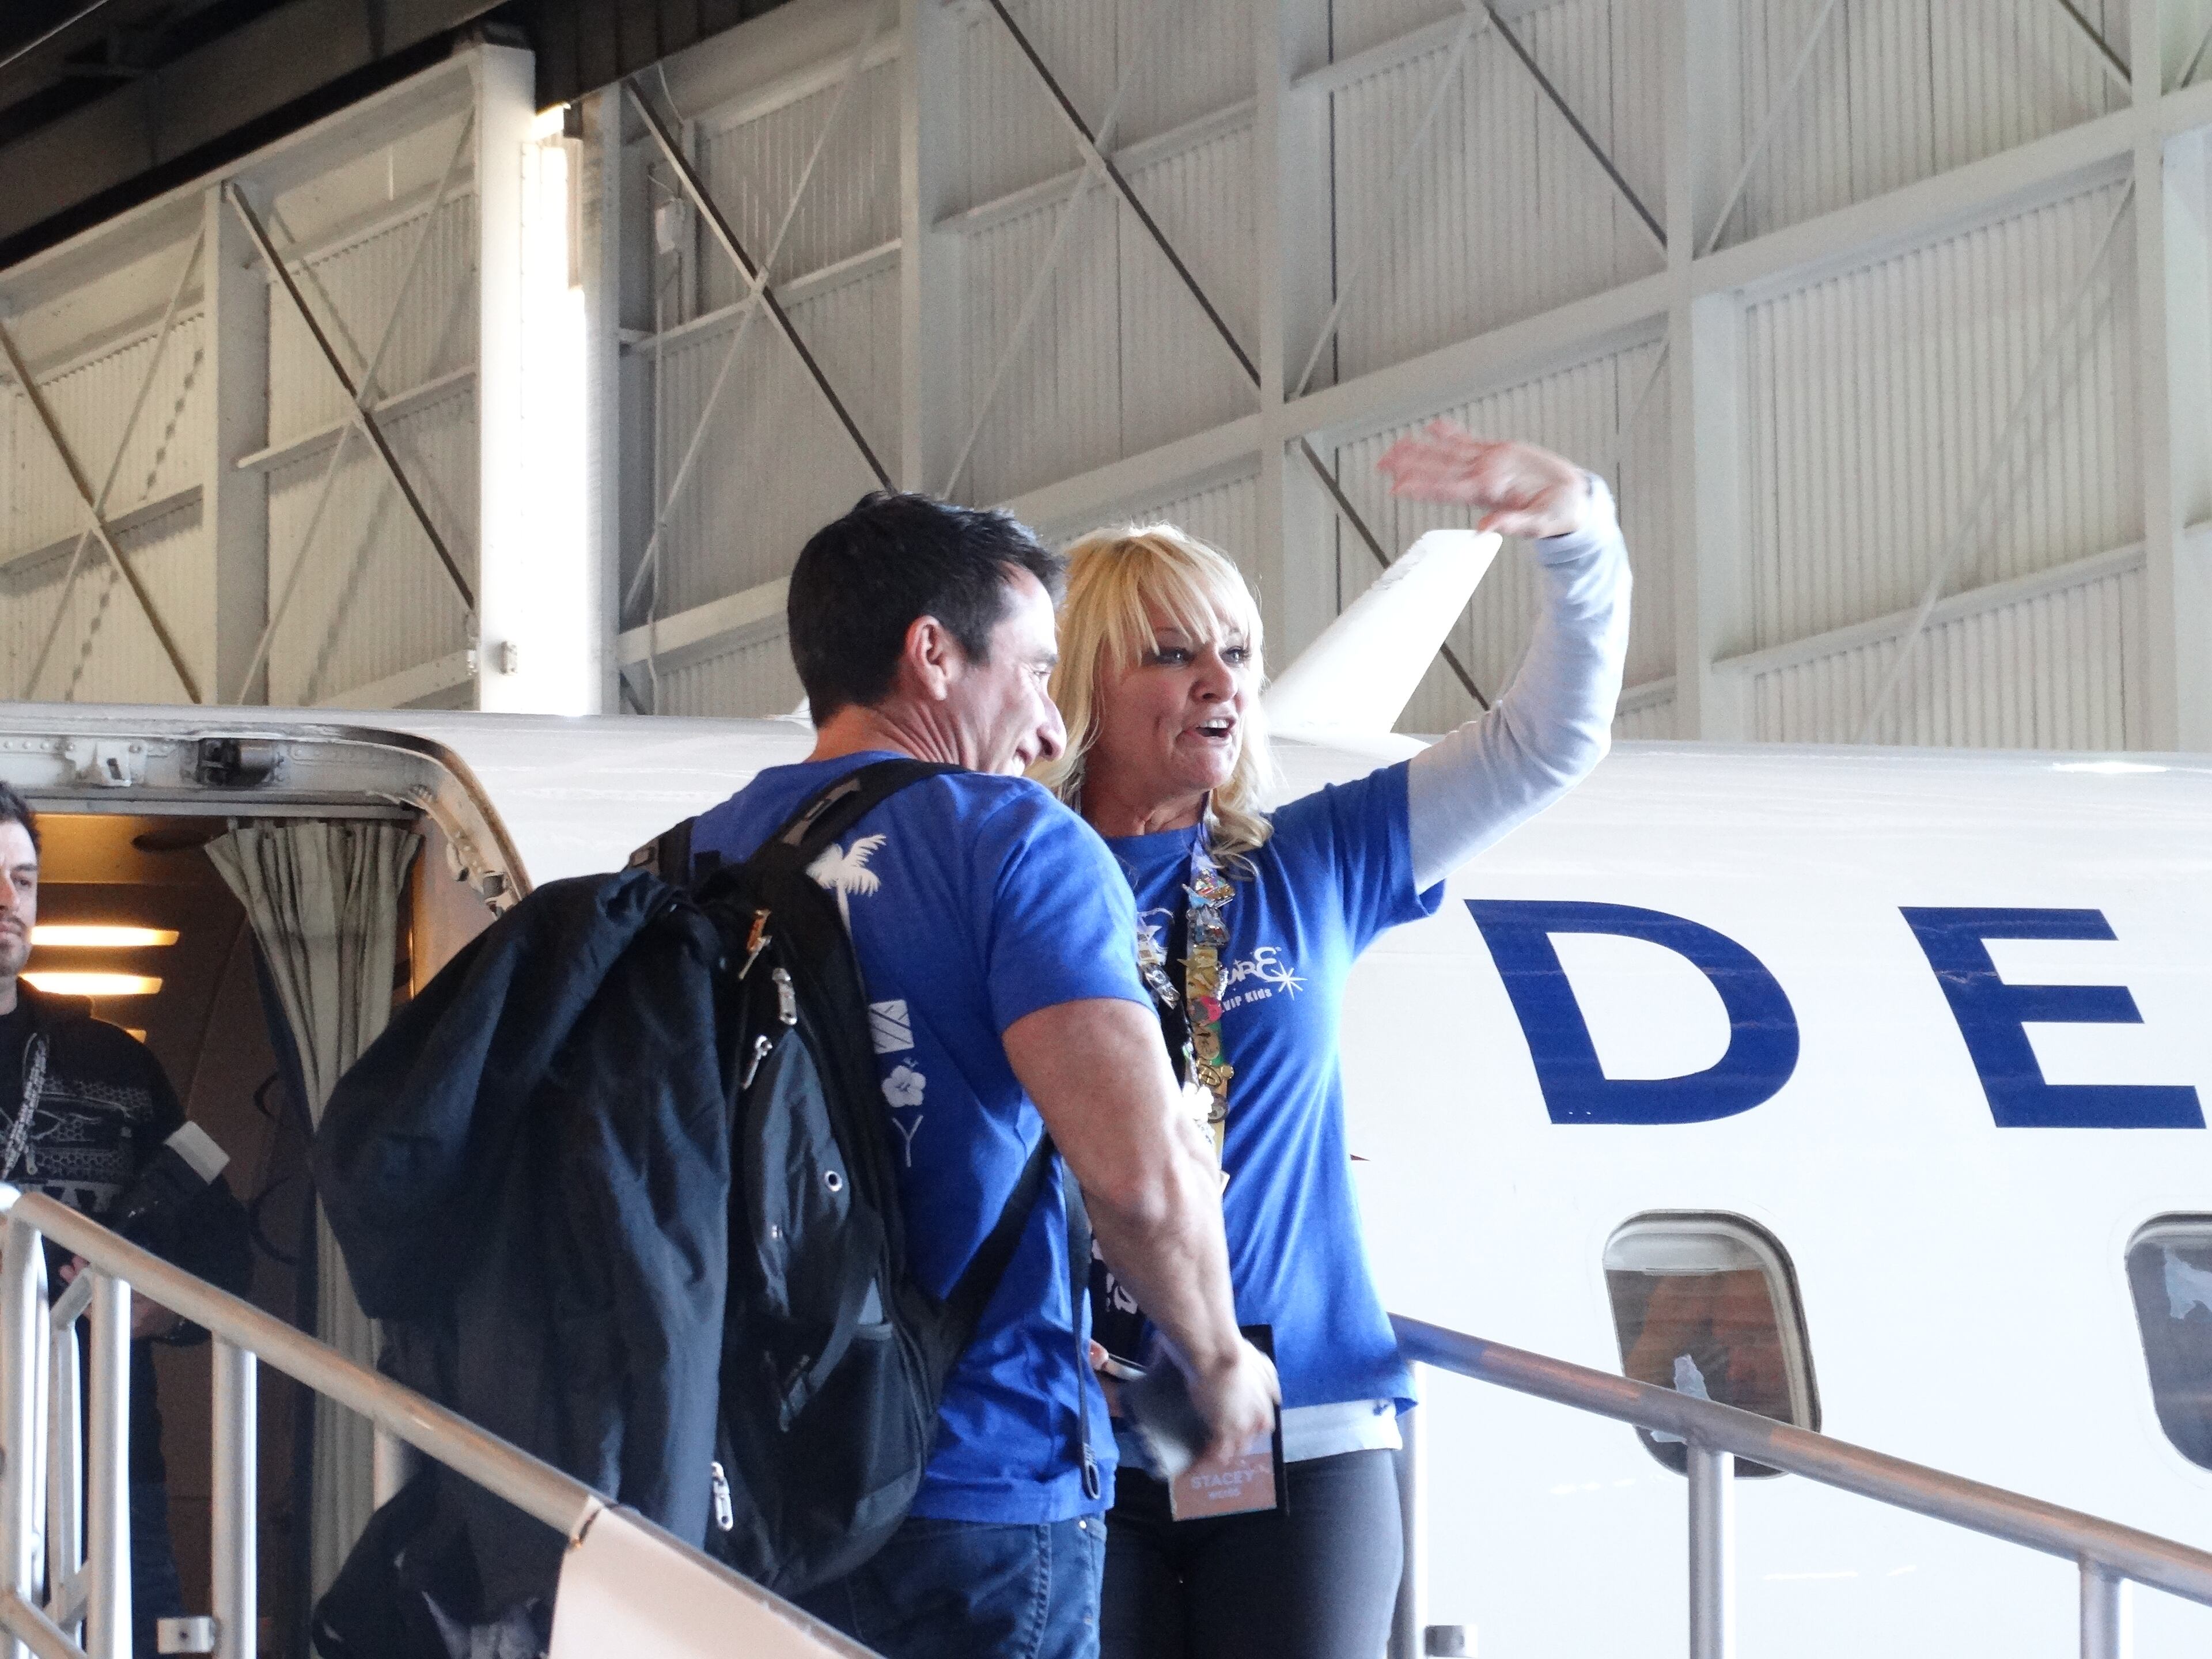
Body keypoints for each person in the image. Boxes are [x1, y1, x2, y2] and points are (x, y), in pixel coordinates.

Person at [1034, 423, 1631, 1659]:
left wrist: (1580, 538)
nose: (1221, 680)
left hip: (1302, 1431)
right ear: (1082, 680)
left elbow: (1545, 746)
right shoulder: (1009, 886)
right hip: (1071, 1432)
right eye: (1170, 652)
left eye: (1237, 652)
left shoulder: (1305, 862)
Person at [684, 492, 1278, 1659]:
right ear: (933, 655)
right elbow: (1139, 1174)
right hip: (981, 1482)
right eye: (1038, 673)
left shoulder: (689, 858)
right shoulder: (1013, 843)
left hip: (744, 1488)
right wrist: (1213, 1357)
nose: (1052, 733)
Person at [0, 783, 253, 1658]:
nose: (9, 903)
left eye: (23, 881)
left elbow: (223, 1248)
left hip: (108, 1477)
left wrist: (161, 1311)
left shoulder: (114, 1065)